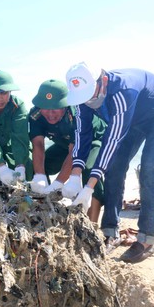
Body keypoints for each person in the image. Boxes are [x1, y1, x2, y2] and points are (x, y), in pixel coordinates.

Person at [63, 62, 154, 263]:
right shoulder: (83, 99)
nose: (87, 101)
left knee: (150, 166)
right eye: (83, 97)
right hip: (134, 119)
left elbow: (112, 141)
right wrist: (75, 174)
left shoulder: (124, 90)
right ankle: (110, 231)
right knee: (114, 167)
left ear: (103, 80)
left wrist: (89, 187)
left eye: (90, 94)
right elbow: (82, 135)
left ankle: (147, 239)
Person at [28, 79, 106, 222]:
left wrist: (58, 183)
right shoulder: (36, 115)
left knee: (90, 170)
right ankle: (44, 207)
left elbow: (75, 152)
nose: (50, 114)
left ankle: (92, 222)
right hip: (64, 144)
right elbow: (38, 145)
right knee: (34, 166)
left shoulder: (76, 114)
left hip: (93, 141)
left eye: (55, 108)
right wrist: (40, 176)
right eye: (45, 108)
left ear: (65, 105)